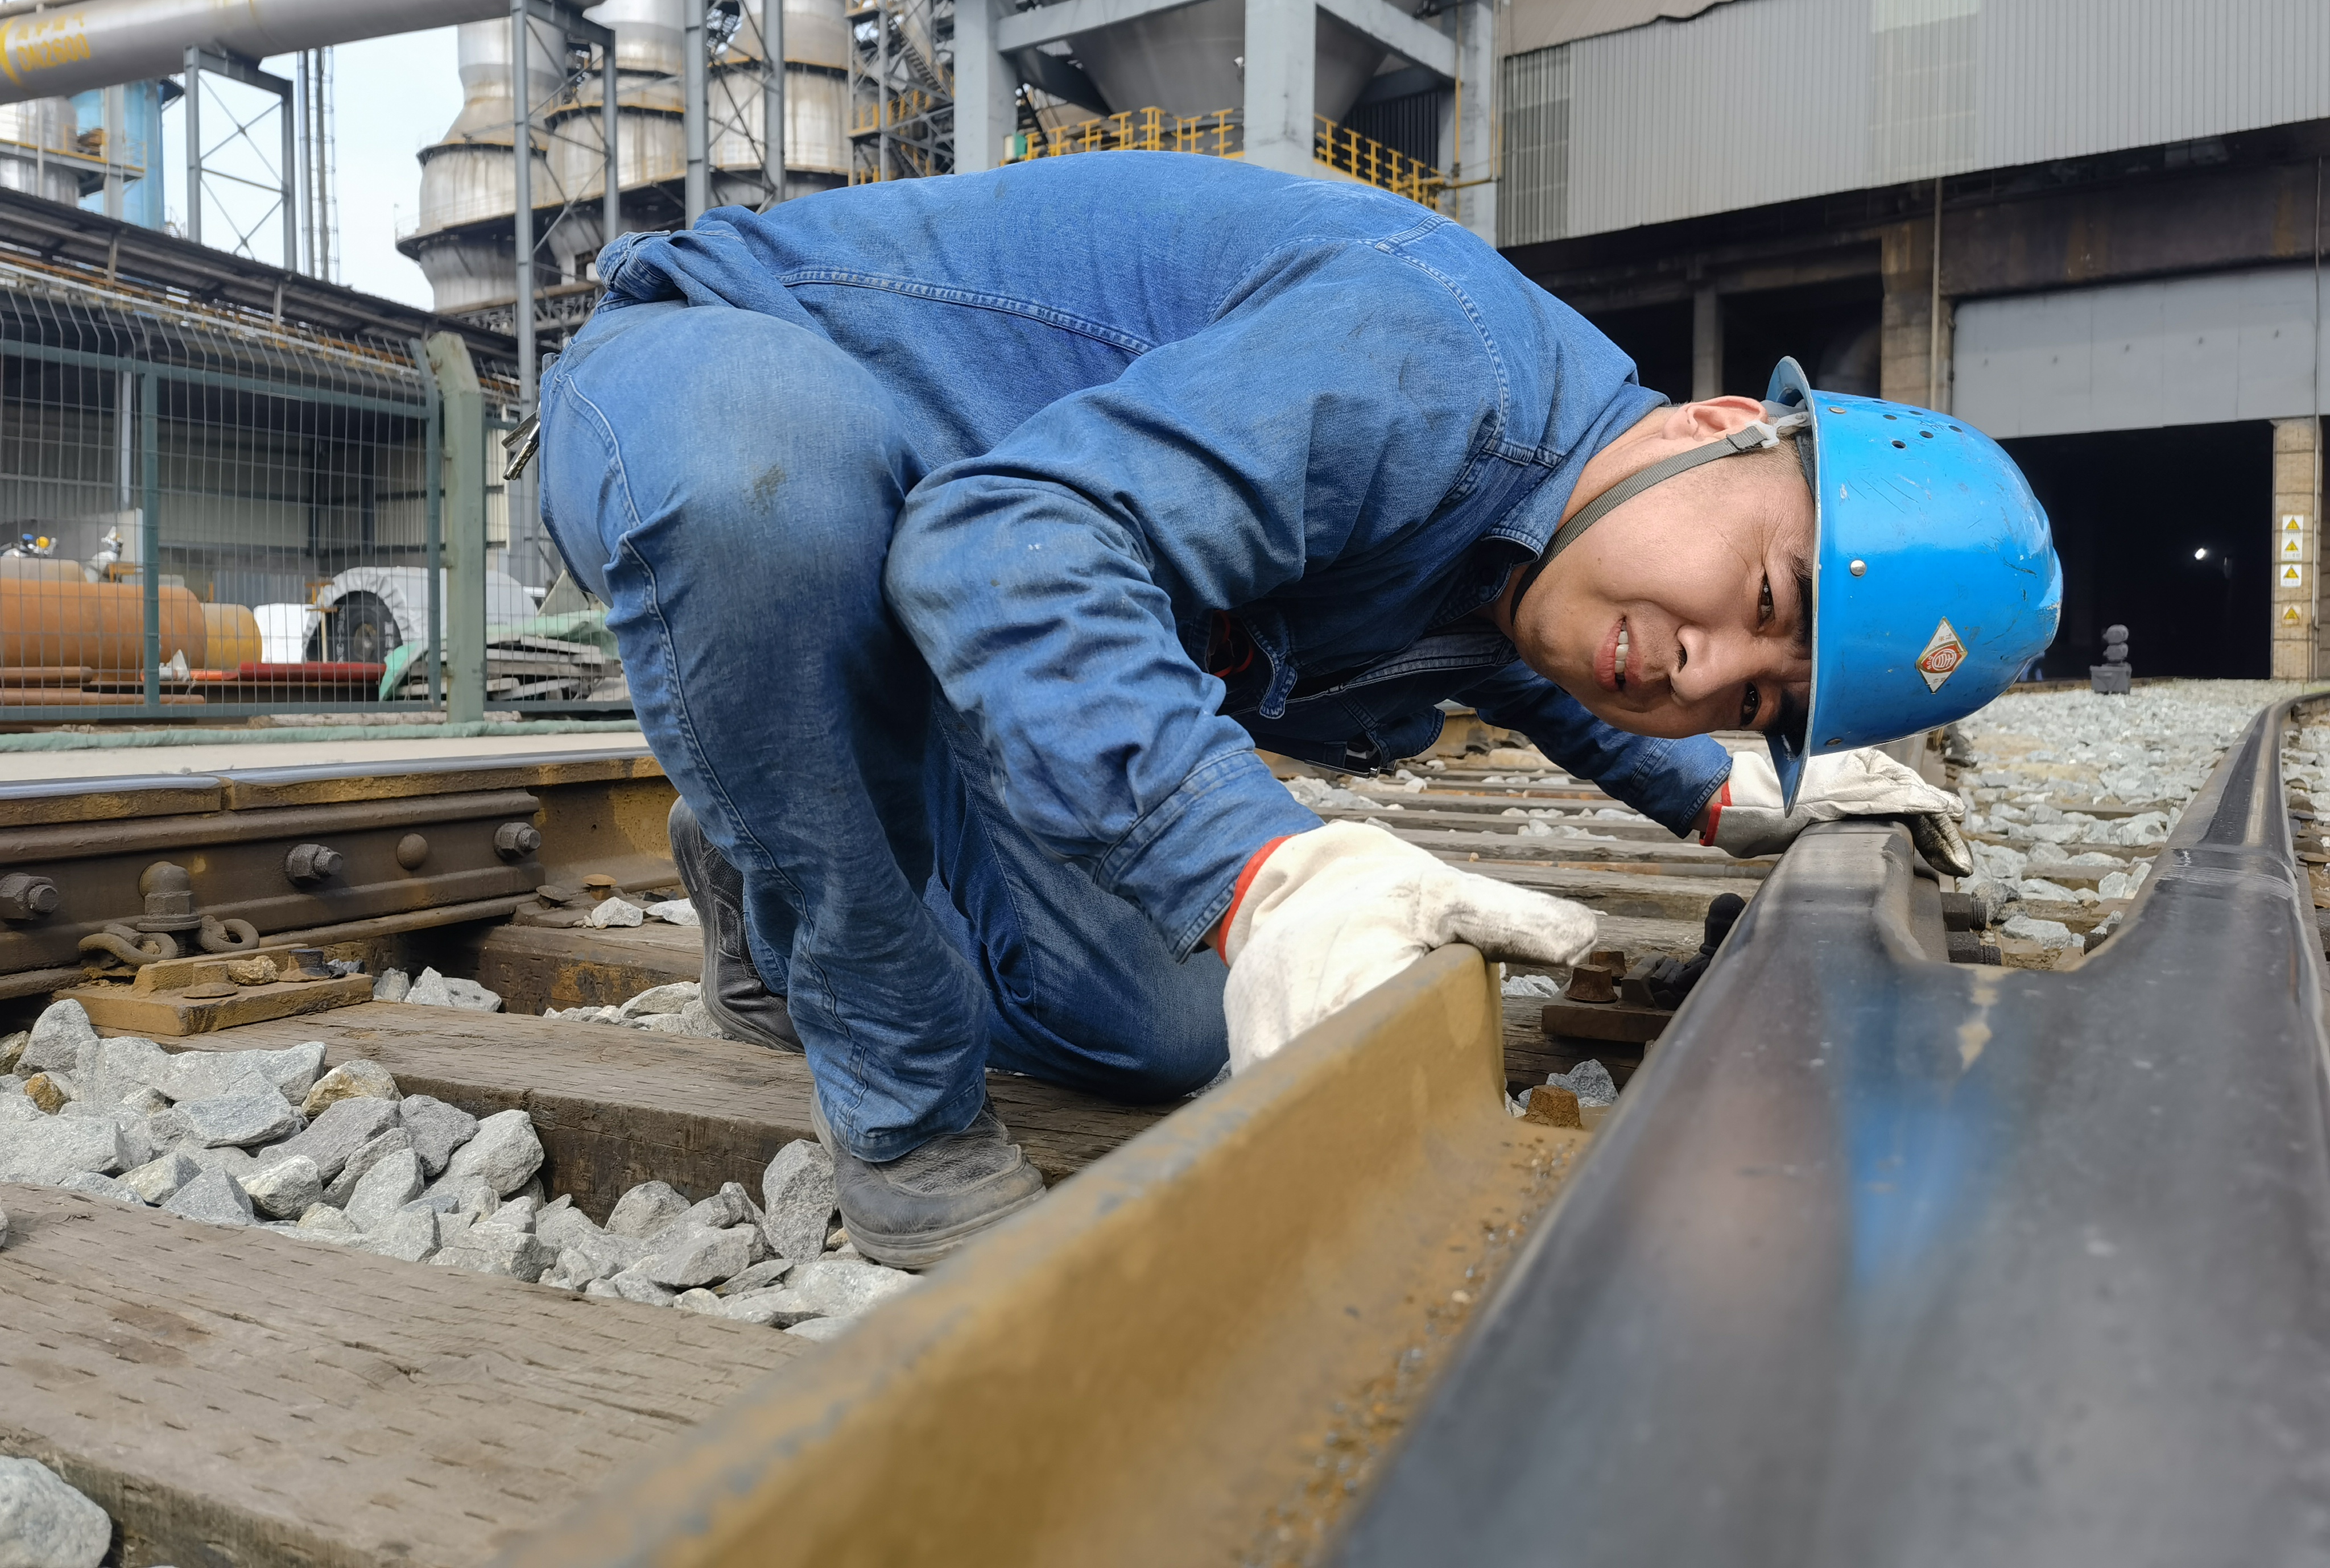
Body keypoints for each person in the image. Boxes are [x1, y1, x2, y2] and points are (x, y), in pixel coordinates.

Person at [532, 152, 2059, 1268]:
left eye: (1764, 696)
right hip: (737, 370)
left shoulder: (1542, 523)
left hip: (966, 594)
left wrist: (1722, 793)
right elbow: (1001, 546)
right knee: (759, 496)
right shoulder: (1438, 363)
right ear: (1717, 429)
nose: (1702, 672)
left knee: (1160, 1027)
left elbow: (1518, 658)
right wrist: (1264, 870)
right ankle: (893, 1082)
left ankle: (775, 844)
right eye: (1770, 599)